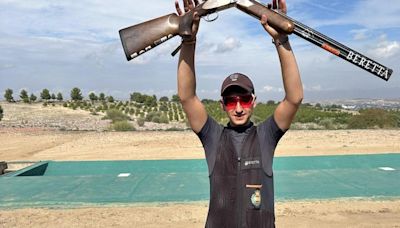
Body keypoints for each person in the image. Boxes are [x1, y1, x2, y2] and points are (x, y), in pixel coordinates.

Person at [176, 0, 303, 227]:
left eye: (244, 99)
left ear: (253, 101)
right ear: (222, 104)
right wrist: (189, 40)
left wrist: (281, 40)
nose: (238, 107)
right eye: (231, 100)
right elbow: (187, 97)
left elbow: (294, 98)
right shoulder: (212, 136)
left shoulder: (267, 135)